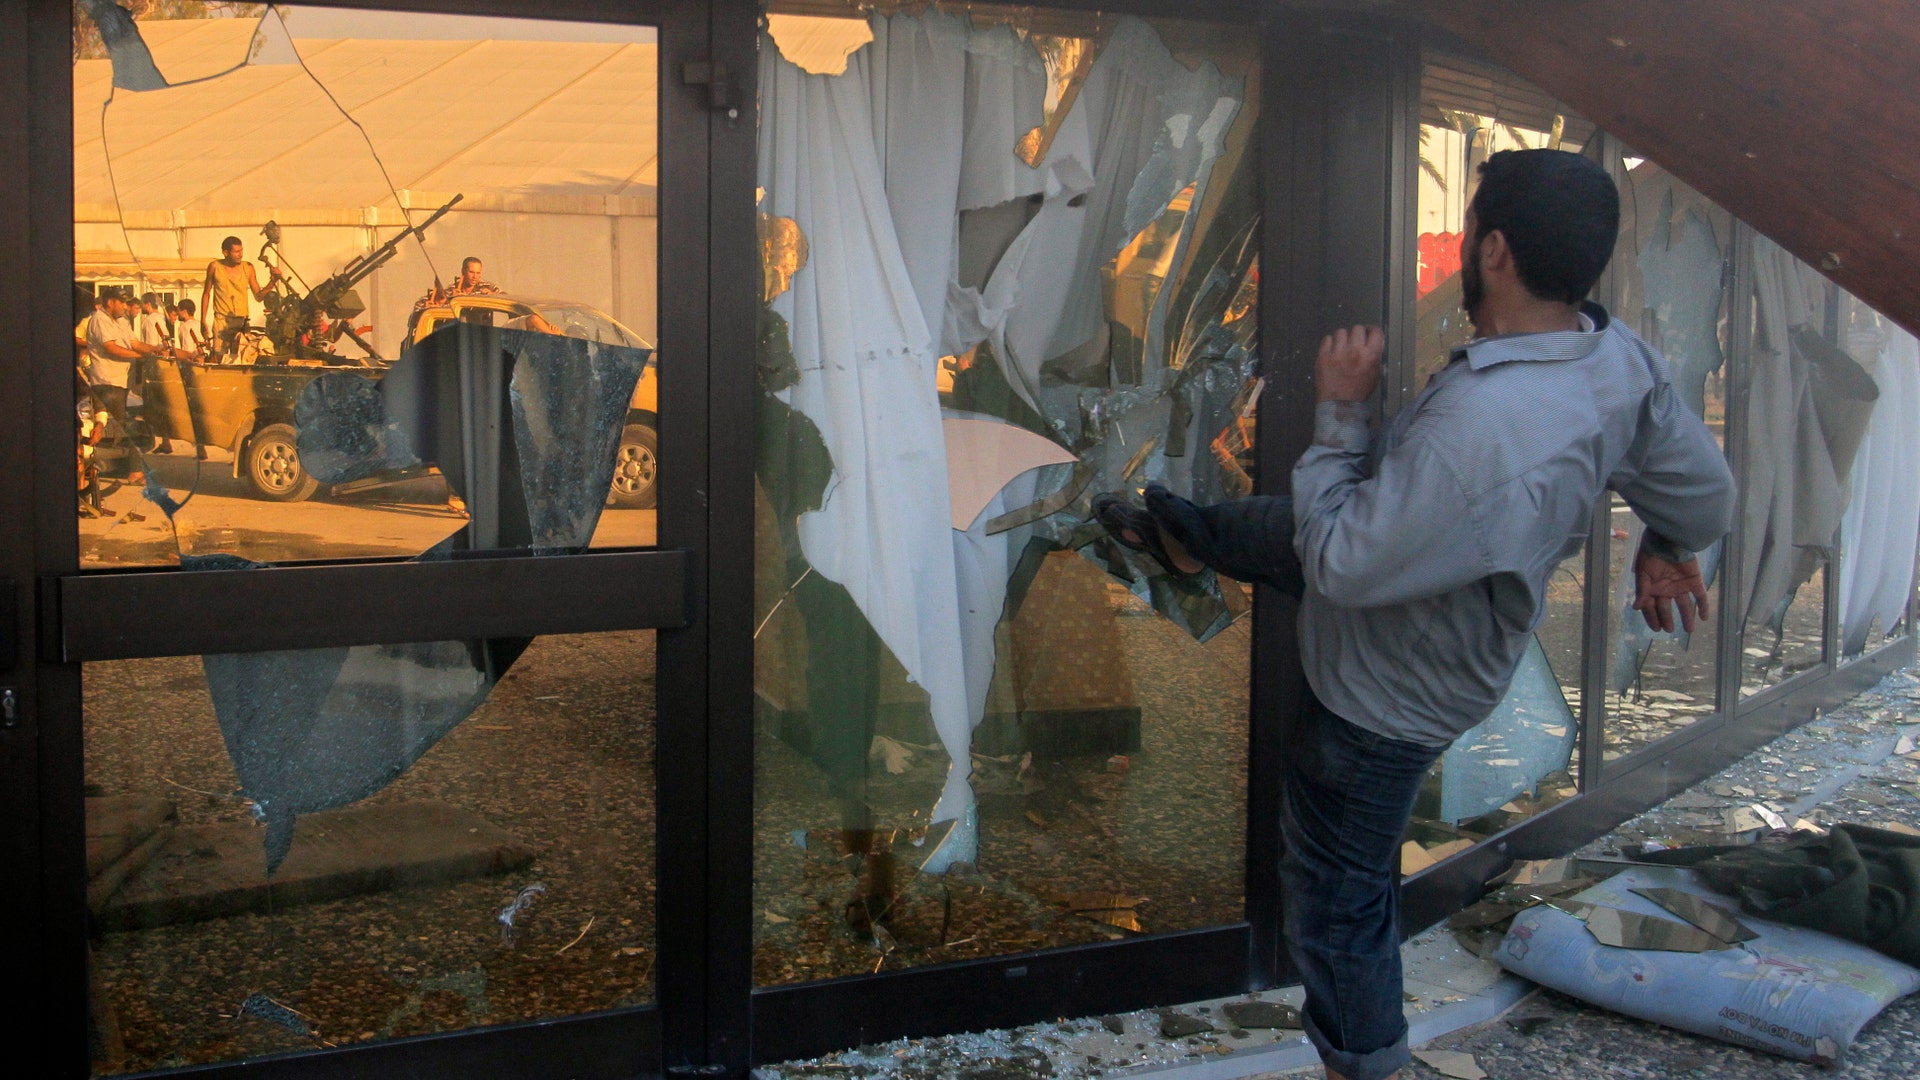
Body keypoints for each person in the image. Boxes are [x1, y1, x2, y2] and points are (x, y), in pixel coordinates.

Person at [1094, 149, 1735, 1080]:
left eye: (1470, 228)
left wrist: (1342, 414)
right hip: (1448, 611)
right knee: (1271, 528)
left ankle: (1371, 1065)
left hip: (1384, 693)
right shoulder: (1611, 354)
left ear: (1494, 251)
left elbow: (1344, 563)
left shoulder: (1479, 428)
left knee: (1334, 896)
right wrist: (1670, 541)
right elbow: (1705, 492)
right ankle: (1189, 540)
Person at [201, 235, 279, 358]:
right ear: (225, 252)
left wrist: (273, 282)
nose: (240, 254)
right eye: (236, 251)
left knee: (242, 358)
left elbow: (258, 296)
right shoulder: (215, 267)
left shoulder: (248, 267)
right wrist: (203, 320)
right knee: (218, 357)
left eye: (241, 250)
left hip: (242, 322)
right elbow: (206, 293)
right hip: (222, 320)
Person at [408, 255, 500, 333]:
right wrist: (425, 312)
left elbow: (506, 298)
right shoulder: (450, 293)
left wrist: (492, 295)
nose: (475, 277)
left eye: (478, 273)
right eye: (471, 272)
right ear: (463, 272)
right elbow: (412, 323)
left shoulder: (487, 286)